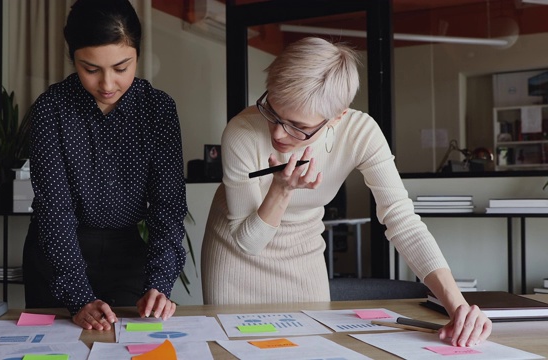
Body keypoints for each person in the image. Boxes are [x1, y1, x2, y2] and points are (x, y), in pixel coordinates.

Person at [201, 37, 491, 347]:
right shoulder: (241, 132)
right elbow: (248, 242)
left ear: (338, 116)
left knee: (312, 349)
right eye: (272, 111)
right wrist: (281, 190)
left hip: (303, 255)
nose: (277, 132)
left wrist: (457, 305)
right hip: (238, 256)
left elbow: (401, 220)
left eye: (297, 126)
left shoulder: (361, 133)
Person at [22, 0, 187, 331]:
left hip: (126, 256)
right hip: (58, 255)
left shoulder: (158, 110)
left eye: (121, 68)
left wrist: (159, 283)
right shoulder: (51, 110)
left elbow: (168, 208)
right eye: (91, 69)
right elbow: (55, 213)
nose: (108, 84)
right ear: (73, 59)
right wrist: (79, 297)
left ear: (138, 55)